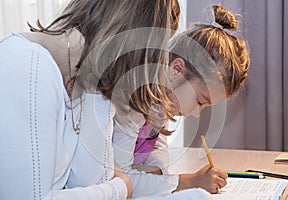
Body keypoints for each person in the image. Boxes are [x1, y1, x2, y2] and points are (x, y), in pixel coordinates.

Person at [0, 0, 180, 199]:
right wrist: (120, 187)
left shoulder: (86, 80)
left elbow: (90, 180)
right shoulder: (29, 66)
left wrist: (100, 92)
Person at [113, 5, 250, 198]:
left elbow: (156, 144)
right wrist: (189, 182)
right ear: (176, 70)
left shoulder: (165, 99)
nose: (196, 113)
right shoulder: (134, 101)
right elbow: (118, 180)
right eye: (199, 101)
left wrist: (159, 172)